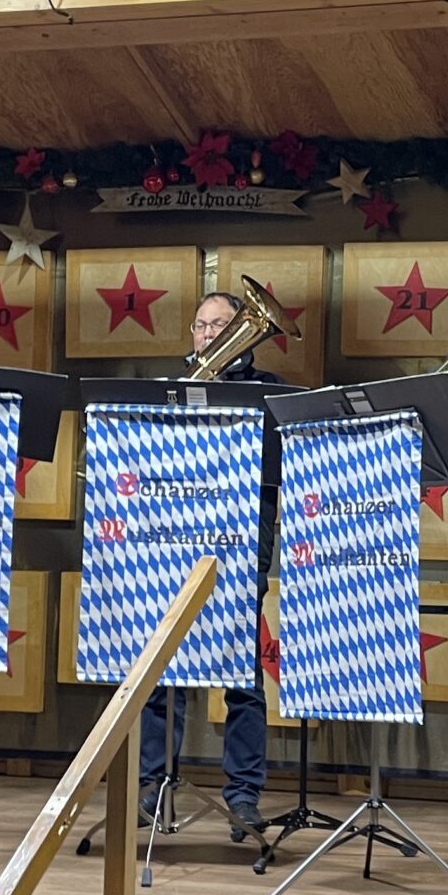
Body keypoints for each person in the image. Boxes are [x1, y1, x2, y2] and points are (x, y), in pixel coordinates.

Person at [137, 290, 282, 833]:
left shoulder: (269, 392)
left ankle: (243, 794)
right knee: (161, 668)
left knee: (242, 670)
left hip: (243, 535)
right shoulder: (171, 389)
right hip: (173, 536)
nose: (207, 335)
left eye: (220, 326)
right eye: (200, 326)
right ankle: (152, 785)